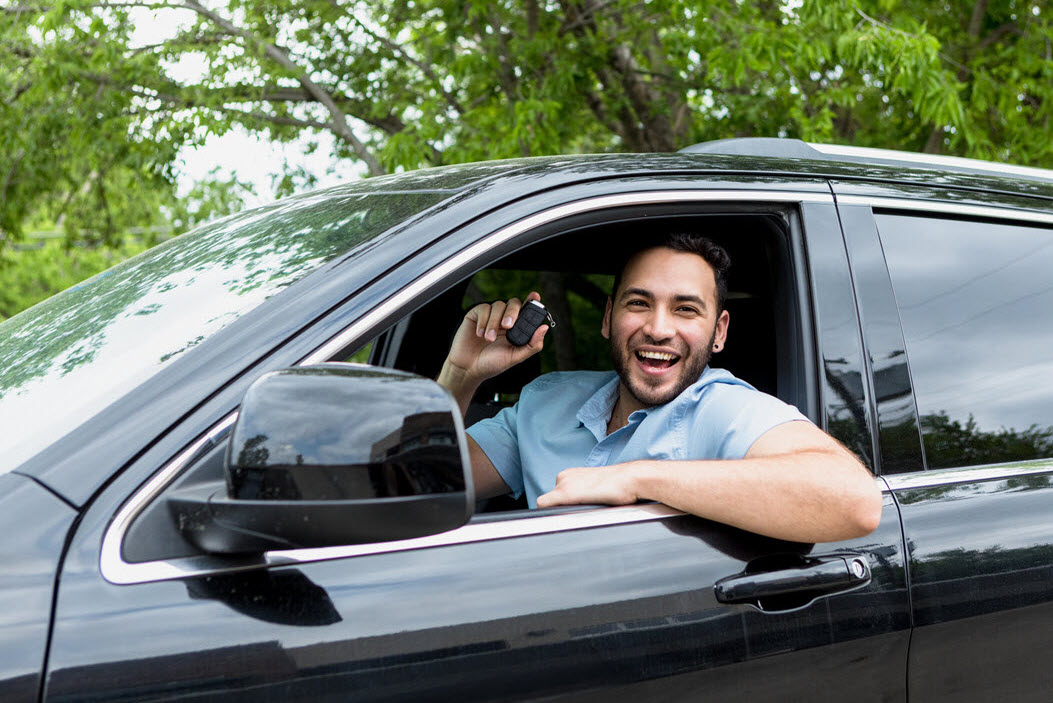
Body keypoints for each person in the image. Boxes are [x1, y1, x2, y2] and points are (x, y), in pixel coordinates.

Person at [437, 234, 882, 543]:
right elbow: (419, 481)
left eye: (686, 309)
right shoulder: (546, 400)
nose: (658, 328)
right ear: (609, 317)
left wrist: (636, 477)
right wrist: (462, 374)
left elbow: (855, 501)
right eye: (639, 303)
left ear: (719, 332)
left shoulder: (725, 408)